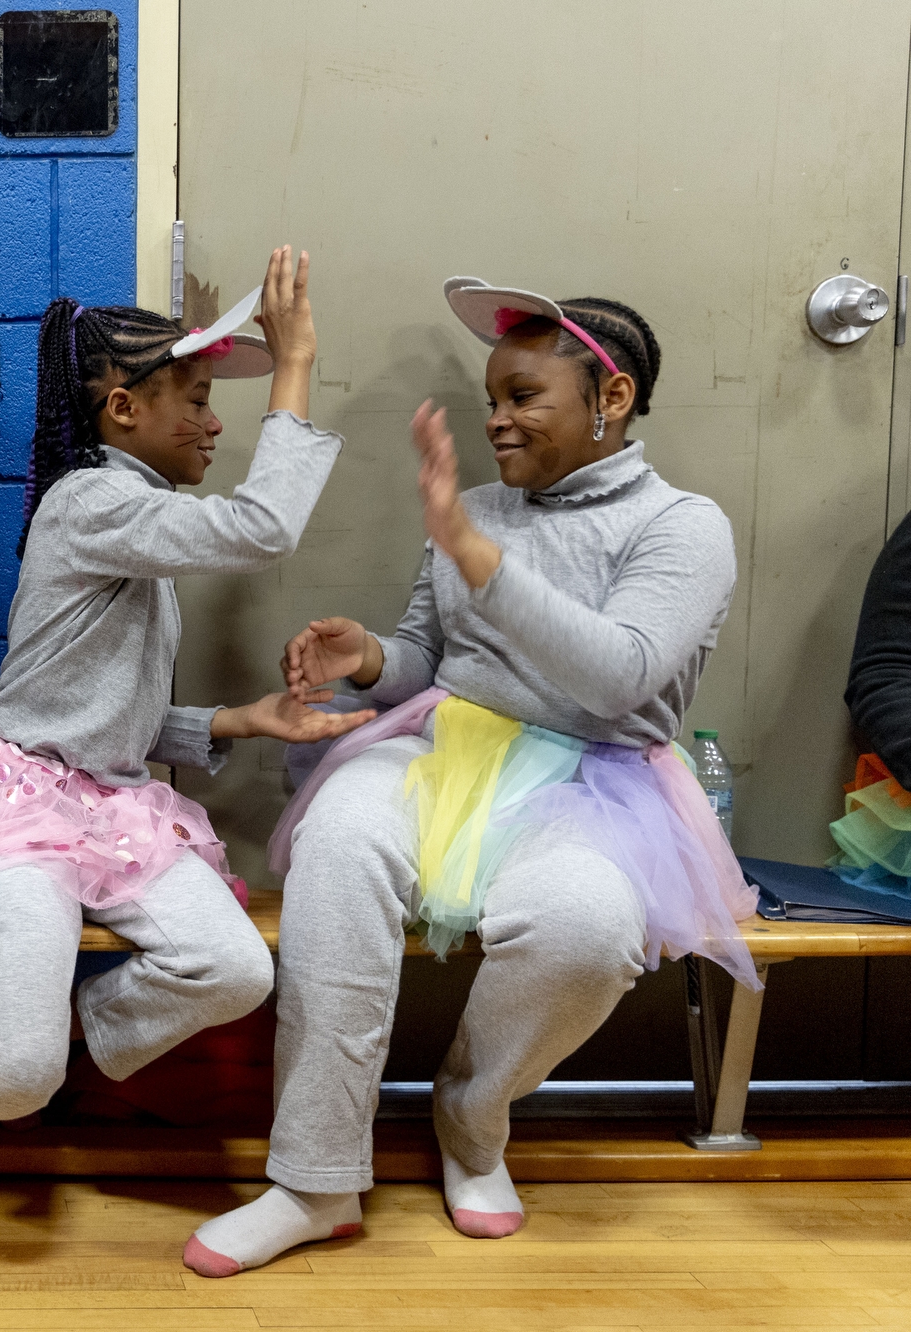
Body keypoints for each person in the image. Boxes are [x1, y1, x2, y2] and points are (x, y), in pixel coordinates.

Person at [185, 280, 753, 1277]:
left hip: (597, 781)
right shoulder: (475, 510)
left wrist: (477, 553)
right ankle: (313, 1178)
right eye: (491, 396)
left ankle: (469, 1116)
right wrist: (364, 656)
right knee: (340, 843)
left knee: (584, 926)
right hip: (441, 747)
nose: (494, 417)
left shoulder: (682, 526)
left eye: (523, 395)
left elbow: (619, 671)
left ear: (608, 399)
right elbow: (425, 655)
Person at [0, 246, 368, 1147]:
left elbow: (98, 712)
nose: (214, 427)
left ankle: (64, 1045)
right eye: (197, 401)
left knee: (234, 969)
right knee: (13, 1070)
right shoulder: (92, 501)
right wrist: (295, 364)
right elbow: (264, 526)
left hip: (112, 811)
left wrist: (238, 721)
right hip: (28, 810)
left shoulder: (138, 525)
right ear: (122, 408)